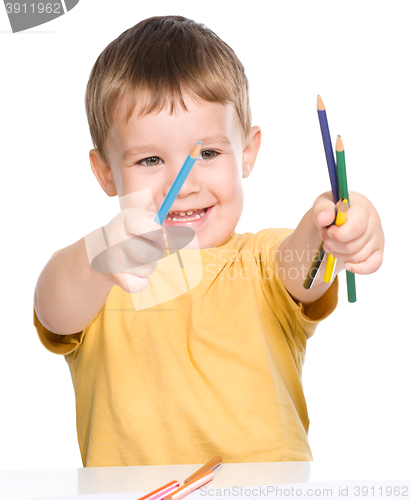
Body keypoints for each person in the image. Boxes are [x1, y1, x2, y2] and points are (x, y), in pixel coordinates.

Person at [33, 15, 384, 467]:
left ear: (248, 152)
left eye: (210, 153)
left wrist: (330, 225)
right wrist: (99, 257)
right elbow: (52, 307)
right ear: (105, 172)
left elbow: (304, 266)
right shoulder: (105, 273)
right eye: (151, 159)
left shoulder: (262, 261)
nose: (183, 184)